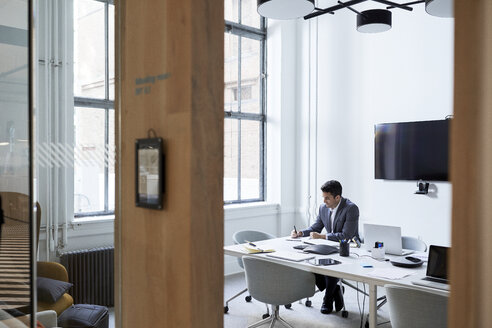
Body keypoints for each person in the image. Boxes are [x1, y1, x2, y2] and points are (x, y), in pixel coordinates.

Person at [291, 180, 359, 314]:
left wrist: (322, 237)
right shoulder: (323, 208)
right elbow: (316, 227)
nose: (324, 201)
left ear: (337, 197)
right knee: (309, 260)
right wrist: (300, 233)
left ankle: (327, 299)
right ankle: (336, 291)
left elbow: (346, 235)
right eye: (323, 197)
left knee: (329, 266)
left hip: (348, 247)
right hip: (328, 245)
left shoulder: (351, 208)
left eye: (327, 198)